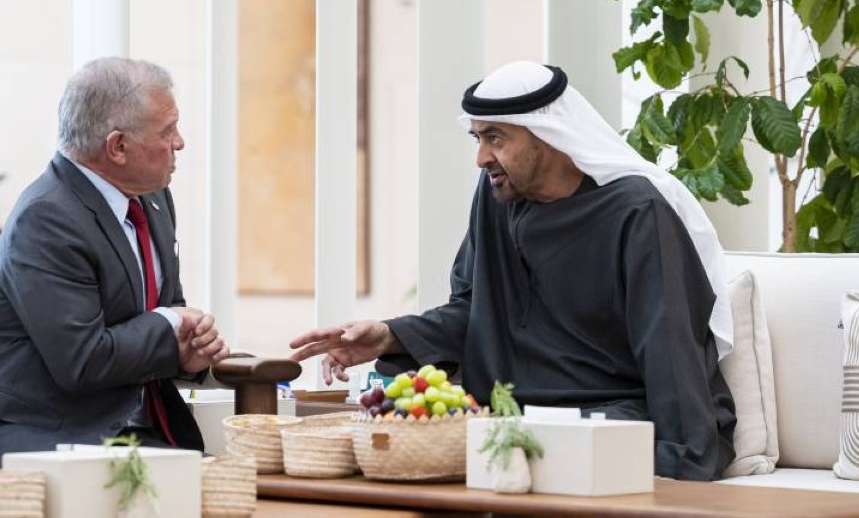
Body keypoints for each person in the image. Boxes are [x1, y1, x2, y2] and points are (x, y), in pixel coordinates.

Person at [290, 60, 736, 480]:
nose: (481, 158)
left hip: (604, 418)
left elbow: (668, 344)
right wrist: (388, 335)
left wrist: (684, 453)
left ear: (547, 135)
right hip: (499, 418)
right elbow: (473, 310)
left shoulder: (636, 212)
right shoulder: (495, 197)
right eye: (478, 139)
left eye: (496, 138)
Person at [0, 57, 230, 469]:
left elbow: (168, 318)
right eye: (168, 131)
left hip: (125, 431)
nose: (180, 142)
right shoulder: (46, 218)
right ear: (117, 146)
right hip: (33, 432)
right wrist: (169, 325)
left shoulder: (153, 198)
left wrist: (188, 352)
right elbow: (83, 362)